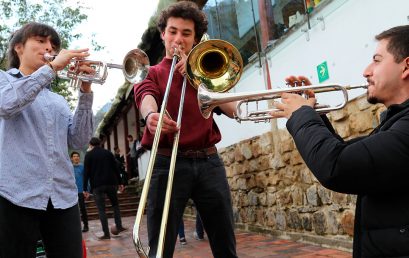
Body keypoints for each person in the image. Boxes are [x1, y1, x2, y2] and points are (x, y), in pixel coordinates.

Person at [271, 25, 409, 257]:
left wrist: (301, 116)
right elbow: (350, 156)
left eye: (376, 60)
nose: (366, 71)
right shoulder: (397, 122)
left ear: (406, 66)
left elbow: (337, 166)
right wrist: (314, 114)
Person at [133, 2, 238, 257]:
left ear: (196, 38)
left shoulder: (207, 69)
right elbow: (145, 96)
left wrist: (199, 78)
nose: (178, 39)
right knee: (161, 247)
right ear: (163, 34)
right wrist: (151, 115)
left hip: (209, 161)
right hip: (167, 161)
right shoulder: (151, 72)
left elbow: (235, 109)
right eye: (172, 31)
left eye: (186, 33)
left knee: (225, 242)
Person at [0, 22, 94, 258]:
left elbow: (80, 141)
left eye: (52, 44)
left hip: (63, 196)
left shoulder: (58, 101)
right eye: (40, 41)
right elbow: (8, 105)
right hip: (15, 194)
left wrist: (85, 92)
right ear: (19, 48)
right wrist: (52, 68)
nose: (48, 47)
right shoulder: (4, 81)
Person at [83, 137, 127, 240]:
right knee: (115, 205)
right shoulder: (108, 153)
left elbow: (86, 173)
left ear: (91, 144)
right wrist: (120, 182)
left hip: (97, 185)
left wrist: (85, 188)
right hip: (111, 183)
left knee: (101, 209)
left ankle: (106, 234)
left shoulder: (88, 155)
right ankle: (119, 226)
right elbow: (116, 168)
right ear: (100, 143)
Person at [71, 151, 89, 233]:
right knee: (73, 210)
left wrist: (87, 190)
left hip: (81, 191)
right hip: (72, 192)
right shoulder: (69, 168)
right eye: (74, 156)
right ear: (71, 158)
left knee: (82, 208)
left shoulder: (83, 167)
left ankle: (86, 225)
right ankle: (74, 227)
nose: (76, 157)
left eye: (77, 156)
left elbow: (87, 179)